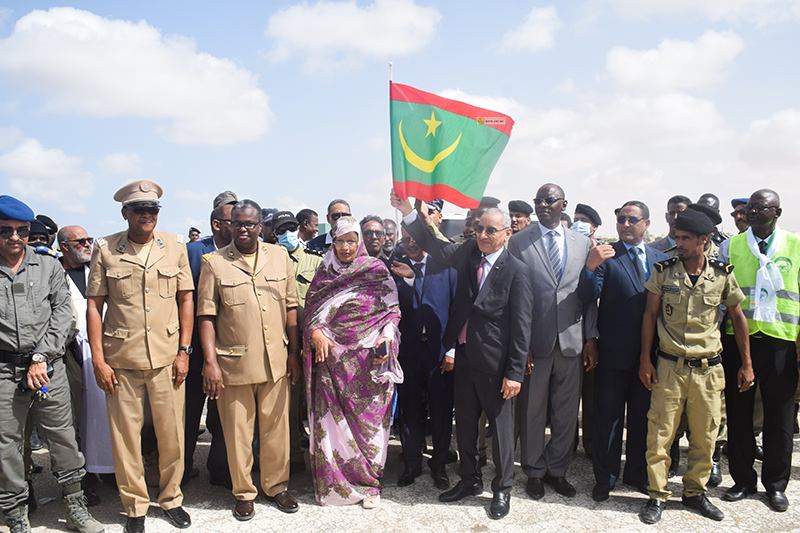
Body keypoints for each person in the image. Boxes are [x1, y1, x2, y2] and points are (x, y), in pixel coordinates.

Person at [392, 191, 532, 520]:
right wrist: (409, 212)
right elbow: (437, 245)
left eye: (491, 231)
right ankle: (469, 479)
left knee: (500, 431)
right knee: (465, 425)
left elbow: (521, 326)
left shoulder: (517, 271)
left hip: (497, 365)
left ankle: (502, 488)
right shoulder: (469, 252)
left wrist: (514, 373)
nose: (483, 235)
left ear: (507, 233)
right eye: (479, 228)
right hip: (465, 358)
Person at [86, 179, 194, 533]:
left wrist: (184, 351)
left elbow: (186, 300)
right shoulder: (105, 248)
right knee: (125, 437)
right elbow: (94, 306)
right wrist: (99, 360)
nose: (147, 215)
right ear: (125, 213)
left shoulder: (176, 246)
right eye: (139, 210)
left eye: (153, 210)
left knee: (171, 434)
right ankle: (134, 506)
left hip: (166, 357)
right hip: (122, 359)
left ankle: (171, 498)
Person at [637, 209, 752, 525]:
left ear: (705, 240)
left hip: (707, 371)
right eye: (677, 236)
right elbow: (650, 315)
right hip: (669, 368)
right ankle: (657, 495)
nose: (679, 242)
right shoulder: (663, 270)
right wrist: (646, 359)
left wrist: (747, 363)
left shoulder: (722, 273)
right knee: (660, 434)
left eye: (686, 238)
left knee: (705, 436)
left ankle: (695, 493)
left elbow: (738, 317)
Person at [0, 196, 104, 533]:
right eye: (6, 231)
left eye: (22, 231)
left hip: (48, 369)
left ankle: (76, 508)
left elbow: (64, 316)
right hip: (4, 371)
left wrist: (41, 357)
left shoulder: (49, 267)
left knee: (63, 440)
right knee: (7, 446)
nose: (15, 237)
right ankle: (16, 515)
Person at [197, 199, 301, 519]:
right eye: (238, 223)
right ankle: (243, 492)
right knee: (238, 433)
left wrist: (294, 353)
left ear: (260, 227)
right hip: (234, 364)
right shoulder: (214, 262)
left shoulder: (279, 256)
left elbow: (291, 307)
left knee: (276, 430)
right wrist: (210, 361)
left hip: (275, 359)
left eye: (250, 224)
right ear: (229, 224)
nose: (244, 229)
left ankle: (276, 486)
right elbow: (206, 316)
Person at [303, 215, 402, 508]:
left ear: (358, 243)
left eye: (350, 241)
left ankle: (369, 485)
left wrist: (387, 336)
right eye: (340, 241)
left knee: (367, 428)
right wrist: (315, 331)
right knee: (332, 428)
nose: (345, 247)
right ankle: (335, 486)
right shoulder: (324, 272)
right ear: (332, 242)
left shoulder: (375, 270)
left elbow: (392, 311)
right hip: (331, 365)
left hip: (368, 364)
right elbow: (310, 313)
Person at [508, 183, 598, 501]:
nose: (543, 205)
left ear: (563, 204)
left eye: (549, 200)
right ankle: (533, 470)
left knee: (565, 411)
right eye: (538, 201)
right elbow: (515, 297)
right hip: (536, 342)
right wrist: (522, 344)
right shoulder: (518, 242)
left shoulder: (583, 243)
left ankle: (557, 470)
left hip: (572, 341)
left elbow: (588, 296)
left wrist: (591, 338)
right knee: (532, 410)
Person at [577, 201, 668, 502]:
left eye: (632, 219)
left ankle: (637, 474)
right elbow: (588, 296)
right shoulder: (607, 256)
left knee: (643, 418)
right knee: (608, 419)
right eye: (620, 219)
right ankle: (606, 477)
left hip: (651, 356)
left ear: (646, 224)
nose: (625, 224)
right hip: (613, 352)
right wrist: (590, 268)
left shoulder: (660, 258)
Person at [720, 189, 800, 512]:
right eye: (749, 208)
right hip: (739, 342)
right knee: (739, 414)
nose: (751, 212)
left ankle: (776, 485)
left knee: (780, 418)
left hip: (781, 343)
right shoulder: (733, 246)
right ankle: (742, 479)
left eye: (760, 207)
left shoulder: (795, 245)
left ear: (777, 213)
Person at [390, 226, 457, 490]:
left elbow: (455, 308)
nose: (410, 244)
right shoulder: (395, 266)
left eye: (415, 239)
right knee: (409, 410)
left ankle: (439, 465)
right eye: (405, 239)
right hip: (409, 352)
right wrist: (408, 280)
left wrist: (451, 349)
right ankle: (411, 463)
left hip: (439, 352)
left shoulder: (446, 266)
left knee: (441, 411)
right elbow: (400, 304)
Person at [57, 226, 115, 504]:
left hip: (105, 350)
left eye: (89, 240)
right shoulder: (55, 274)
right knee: (76, 417)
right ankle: (82, 478)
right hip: (71, 354)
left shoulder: (97, 270)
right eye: (80, 241)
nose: (87, 245)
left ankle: (110, 470)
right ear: (64, 246)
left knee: (107, 413)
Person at [183, 191, 236, 489]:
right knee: (189, 418)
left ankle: (220, 471)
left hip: (230, 351)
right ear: (217, 224)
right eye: (233, 221)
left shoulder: (244, 253)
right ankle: (181, 472)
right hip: (194, 355)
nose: (241, 227)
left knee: (227, 419)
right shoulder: (193, 252)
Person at [273, 210, 324, 475]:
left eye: (291, 228)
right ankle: (293, 456)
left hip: (313, 345)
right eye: (281, 230)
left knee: (319, 403)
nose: (287, 234)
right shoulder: (269, 260)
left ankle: (324, 456)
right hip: (282, 345)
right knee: (289, 406)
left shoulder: (315, 261)